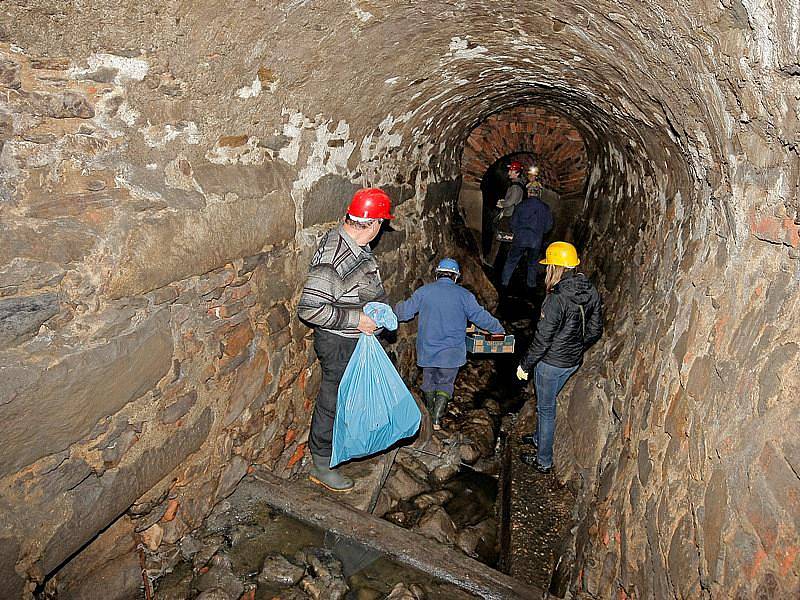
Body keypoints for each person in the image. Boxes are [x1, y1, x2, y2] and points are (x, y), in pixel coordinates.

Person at [297, 188, 394, 492]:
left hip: (354, 339)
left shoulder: (356, 244)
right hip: (338, 342)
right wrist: (358, 320)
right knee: (333, 399)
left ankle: (345, 445)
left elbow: (355, 287)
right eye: (382, 224)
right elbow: (310, 308)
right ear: (373, 223)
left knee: (348, 397)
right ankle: (322, 464)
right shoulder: (335, 256)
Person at [516, 242, 603, 473]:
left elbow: (542, 338)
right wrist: (575, 346)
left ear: (555, 267)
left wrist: (525, 364)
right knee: (548, 401)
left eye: (549, 266)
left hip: (550, 364)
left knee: (546, 410)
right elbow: (595, 330)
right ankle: (537, 438)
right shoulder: (590, 290)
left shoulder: (556, 298)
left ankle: (543, 461)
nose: (546, 270)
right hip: (572, 362)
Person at [395, 258, 505, 430]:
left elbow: (404, 312)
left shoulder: (424, 292)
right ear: (455, 277)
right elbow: (480, 316)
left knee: (428, 383)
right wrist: (498, 329)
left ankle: (430, 417)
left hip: (427, 350)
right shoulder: (464, 296)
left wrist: (393, 308)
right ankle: (437, 418)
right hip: (451, 353)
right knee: (445, 383)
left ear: (438, 273)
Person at [499, 172, 553, 292]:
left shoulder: (521, 206)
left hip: (520, 238)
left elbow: (512, 223)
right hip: (536, 241)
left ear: (528, 192)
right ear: (539, 193)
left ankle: (504, 283)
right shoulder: (545, 208)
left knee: (512, 260)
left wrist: (517, 232)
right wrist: (540, 233)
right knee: (532, 263)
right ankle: (531, 285)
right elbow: (549, 226)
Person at [487, 160, 528, 268]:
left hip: (509, 216)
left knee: (499, 238)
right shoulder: (516, 185)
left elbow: (511, 202)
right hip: (511, 215)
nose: (509, 173)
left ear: (517, 173)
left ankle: (491, 261)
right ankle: (511, 262)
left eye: (511, 171)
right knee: (508, 239)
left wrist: (502, 204)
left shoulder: (516, 187)